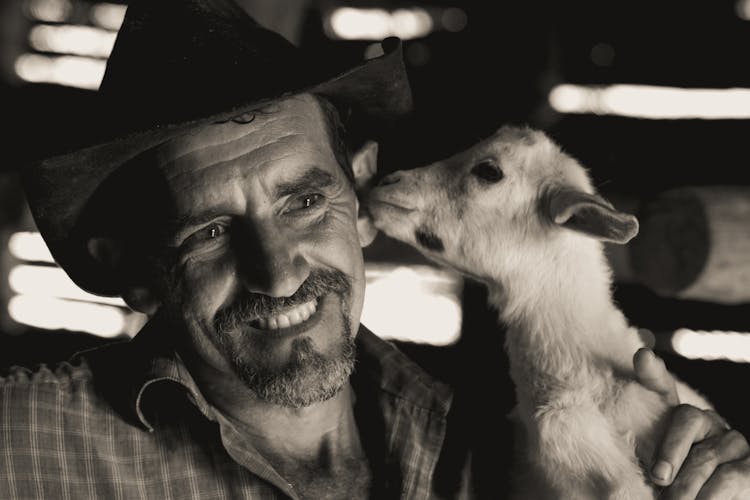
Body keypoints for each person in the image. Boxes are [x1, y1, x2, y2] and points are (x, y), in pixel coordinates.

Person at [5, 0, 749, 498]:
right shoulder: (27, 444)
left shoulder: (499, 461)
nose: (280, 270)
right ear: (136, 270)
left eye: (303, 201)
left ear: (360, 199)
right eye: (208, 233)